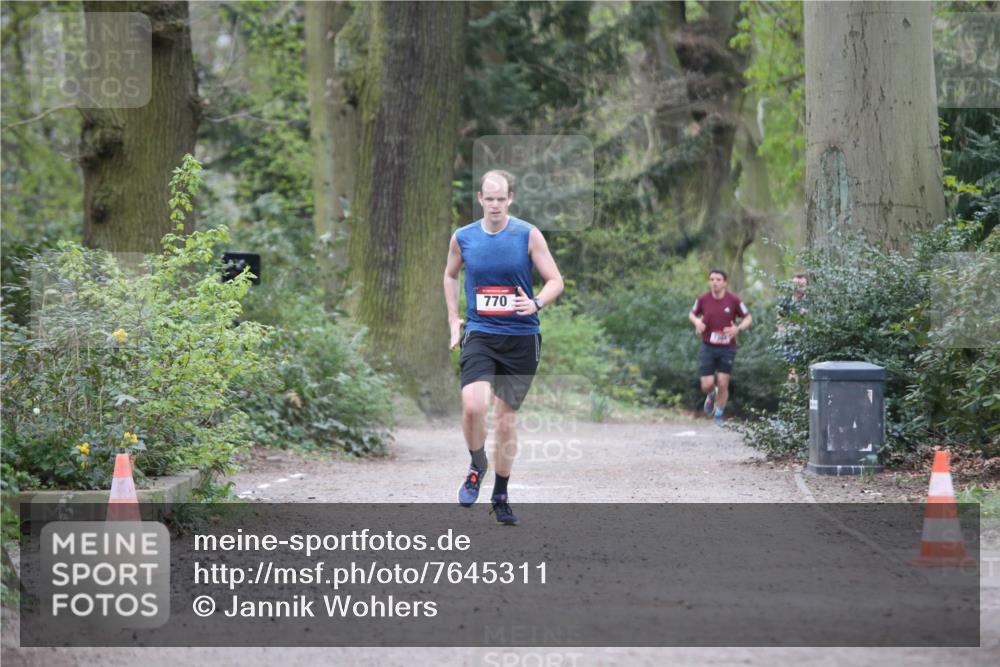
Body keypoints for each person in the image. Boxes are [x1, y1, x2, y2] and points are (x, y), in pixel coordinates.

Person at [443, 170, 564, 525]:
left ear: (510, 199)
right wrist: (453, 318)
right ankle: (477, 463)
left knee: (505, 419)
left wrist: (536, 302)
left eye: (501, 198)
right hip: (480, 333)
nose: (495, 205)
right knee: (473, 406)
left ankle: (500, 495)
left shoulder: (528, 235)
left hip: (521, 338)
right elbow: (450, 274)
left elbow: (555, 280)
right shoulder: (463, 237)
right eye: (489, 198)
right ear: (480, 199)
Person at [688, 269, 752, 426]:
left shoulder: (734, 300)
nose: (714, 282)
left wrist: (738, 329)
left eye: (718, 279)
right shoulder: (703, 299)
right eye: (711, 279)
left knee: (723, 382)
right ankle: (711, 394)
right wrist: (697, 322)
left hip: (727, 348)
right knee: (707, 384)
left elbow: (748, 317)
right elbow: (692, 314)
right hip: (708, 347)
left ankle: (718, 414)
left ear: (724, 283)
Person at [777, 273, 808, 383]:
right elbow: (780, 321)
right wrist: (785, 331)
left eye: (801, 285)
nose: (798, 288)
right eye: (795, 285)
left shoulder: (812, 302)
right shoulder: (785, 302)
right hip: (790, 343)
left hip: (808, 343)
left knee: (806, 375)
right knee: (792, 375)